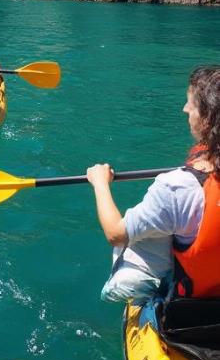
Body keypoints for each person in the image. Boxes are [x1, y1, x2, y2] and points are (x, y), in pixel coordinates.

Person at [87, 66, 220, 302]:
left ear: (208, 119)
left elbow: (116, 234)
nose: (185, 109)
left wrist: (100, 183)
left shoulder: (176, 187)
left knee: (141, 244)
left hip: (193, 303)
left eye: (192, 104)